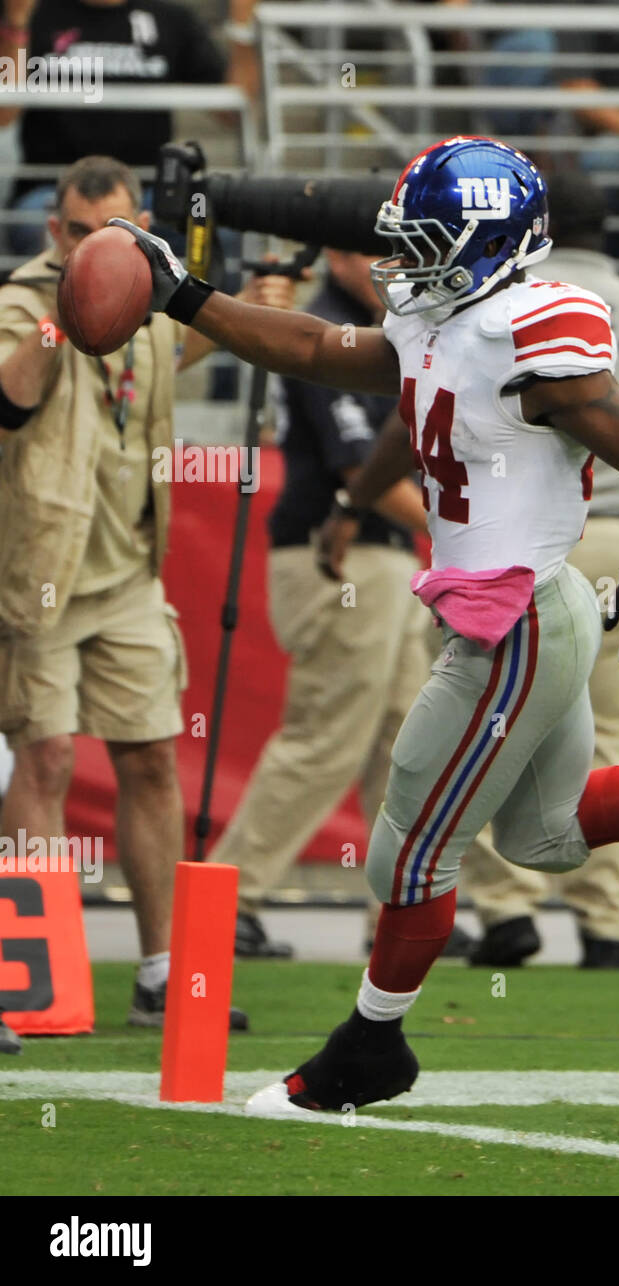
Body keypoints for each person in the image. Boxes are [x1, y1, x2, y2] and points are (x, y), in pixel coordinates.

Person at [109, 135, 619, 1113]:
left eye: (427, 240)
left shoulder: (530, 327)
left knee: (406, 852)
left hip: (518, 619)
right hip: (515, 612)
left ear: (483, 246)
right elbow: (312, 347)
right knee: (546, 836)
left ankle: (370, 1047)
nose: (404, 257)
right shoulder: (441, 317)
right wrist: (187, 296)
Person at [0, 155, 293, 1047]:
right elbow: (9, 399)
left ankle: (165, 973)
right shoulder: (22, 298)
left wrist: (267, 293)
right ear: (57, 234)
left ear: (141, 235)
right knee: (45, 760)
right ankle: (34, 970)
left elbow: (200, 337)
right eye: (83, 236)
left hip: (128, 569)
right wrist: (63, 311)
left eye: (116, 237)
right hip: (39, 570)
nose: (99, 252)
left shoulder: (151, 300)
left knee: (154, 758)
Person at [458, 170, 619, 969]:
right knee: (612, 729)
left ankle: (506, 909)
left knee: (498, 722)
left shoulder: (517, 310)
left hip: (533, 536)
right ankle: (609, 921)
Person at [205, 249, 472, 962]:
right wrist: (467, 536)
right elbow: (365, 474)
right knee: (328, 732)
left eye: (394, 250)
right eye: (364, 250)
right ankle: (226, 899)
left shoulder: (389, 326)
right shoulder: (329, 327)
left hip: (382, 556)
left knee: (402, 741)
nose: (385, 264)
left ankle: (398, 905)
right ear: (335, 257)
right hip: (340, 556)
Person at [6, 0, 260, 255]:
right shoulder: (33, 13)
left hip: (149, 192)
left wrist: (242, 27)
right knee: (33, 226)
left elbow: (233, 111)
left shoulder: (169, 17)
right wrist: (16, 23)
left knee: (219, 227)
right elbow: (4, 114)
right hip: (52, 189)